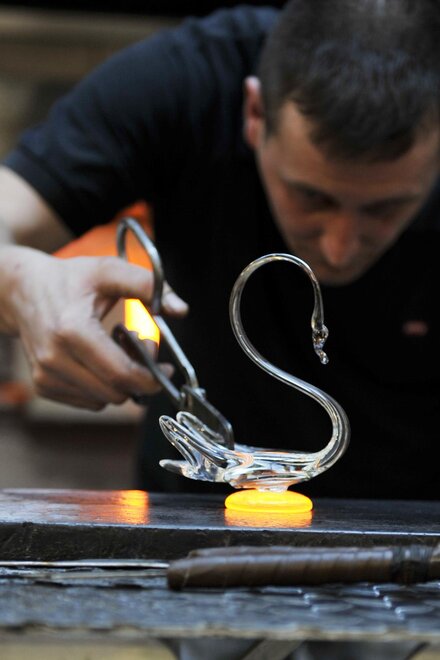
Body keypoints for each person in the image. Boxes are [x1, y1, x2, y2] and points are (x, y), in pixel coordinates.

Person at [0, 0, 439, 502]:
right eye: (311, 198)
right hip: (189, 519)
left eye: (385, 208)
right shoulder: (188, 79)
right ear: (255, 113)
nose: (339, 249)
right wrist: (21, 285)